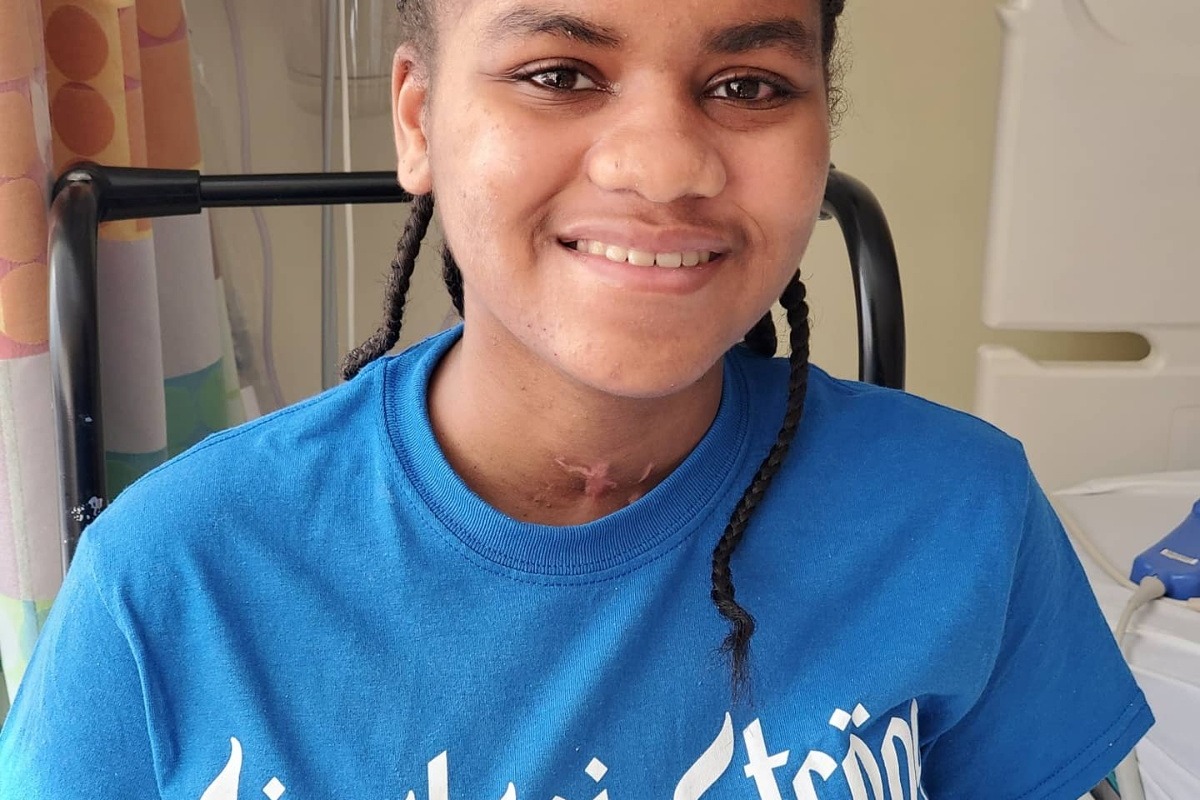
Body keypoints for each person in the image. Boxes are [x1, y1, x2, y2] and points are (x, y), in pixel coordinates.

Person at [0, 0, 1152, 797]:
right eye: (559, 74)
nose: (662, 165)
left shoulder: (963, 515)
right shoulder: (171, 580)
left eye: (747, 85)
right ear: (419, 120)